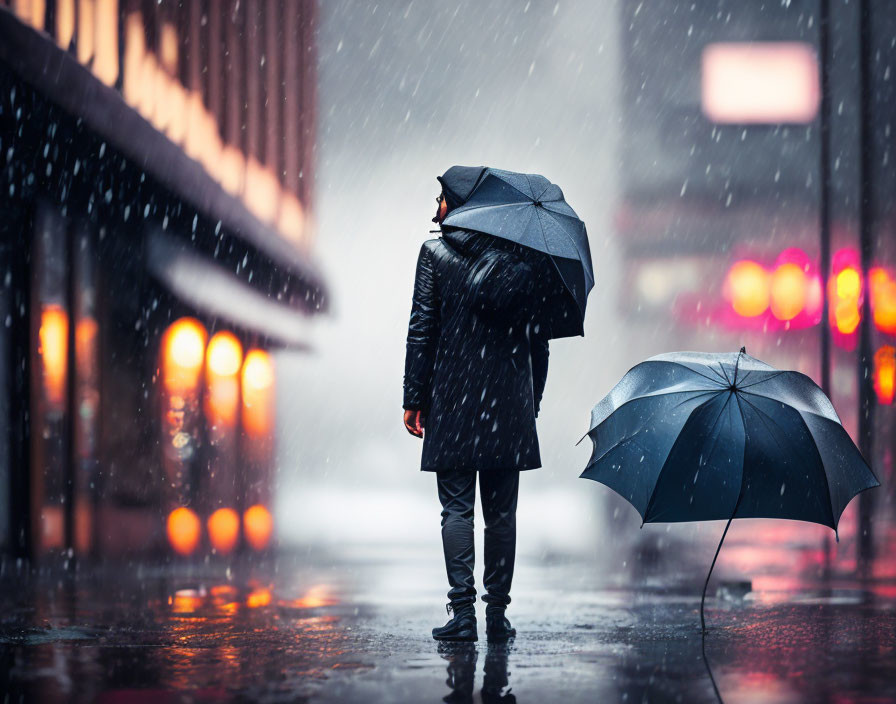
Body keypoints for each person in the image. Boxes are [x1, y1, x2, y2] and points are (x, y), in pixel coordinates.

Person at [403, 167, 551, 643]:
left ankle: (462, 613)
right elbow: (540, 341)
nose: (436, 209)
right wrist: (533, 398)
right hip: (508, 404)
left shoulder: (435, 254)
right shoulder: (523, 262)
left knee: (456, 511)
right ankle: (497, 615)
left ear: (461, 206)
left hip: (453, 399)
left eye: (442, 200)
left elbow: (422, 330)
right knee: (502, 515)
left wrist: (415, 397)